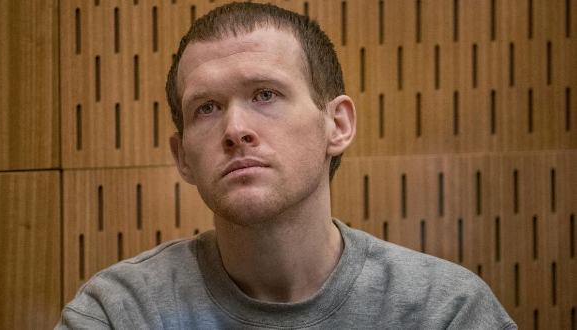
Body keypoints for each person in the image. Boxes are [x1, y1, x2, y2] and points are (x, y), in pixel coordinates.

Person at [56, 3, 517, 329]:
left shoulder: (444, 311)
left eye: (265, 95)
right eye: (207, 108)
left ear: (336, 125)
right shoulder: (119, 314)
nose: (235, 129)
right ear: (183, 157)